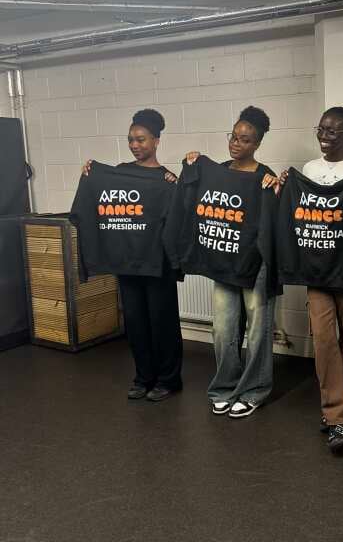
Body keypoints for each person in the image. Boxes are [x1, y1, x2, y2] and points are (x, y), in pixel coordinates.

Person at [265, 107, 343, 451]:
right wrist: (285, 187)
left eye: (332, 131)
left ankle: (342, 413)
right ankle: (338, 416)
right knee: (324, 342)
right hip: (316, 271)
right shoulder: (309, 170)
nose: (324, 136)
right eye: (321, 129)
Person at [82, 108, 183, 402]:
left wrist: (177, 186)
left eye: (141, 139)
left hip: (158, 263)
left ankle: (169, 379)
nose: (134, 145)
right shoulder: (120, 173)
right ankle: (143, 377)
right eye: (130, 140)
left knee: (162, 322)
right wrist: (90, 173)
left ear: (156, 141)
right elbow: (99, 192)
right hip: (127, 262)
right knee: (136, 323)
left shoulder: (167, 180)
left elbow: (178, 218)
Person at [185, 106, 277, 418]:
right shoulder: (217, 171)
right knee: (223, 328)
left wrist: (276, 188)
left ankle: (254, 389)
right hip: (224, 261)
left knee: (258, 328)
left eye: (245, 139)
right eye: (234, 136)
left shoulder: (264, 177)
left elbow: (274, 221)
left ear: (257, 144)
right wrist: (193, 164)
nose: (236, 143)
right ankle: (224, 387)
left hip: (256, 263)